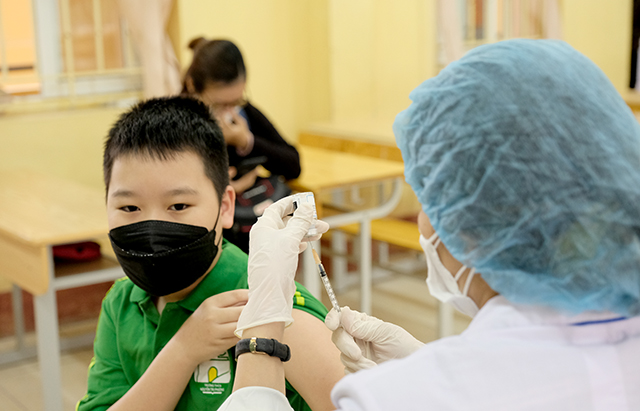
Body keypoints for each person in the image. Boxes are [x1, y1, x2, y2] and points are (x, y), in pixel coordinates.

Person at [217, 39, 640, 410]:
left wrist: (261, 329)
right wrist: (421, 359)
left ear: (467, 225)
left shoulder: (393, 398)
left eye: (427, 195)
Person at [76, 97, 342, 411]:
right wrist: (182, 351)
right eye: (129, 207)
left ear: (225, 206)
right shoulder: (121, 303)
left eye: (178, 205)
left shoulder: (272, 307)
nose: (152, 227)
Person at [182, 37, 300, 253]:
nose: (230, 111)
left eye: (236, 101)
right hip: (202, 243)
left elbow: (293, 165)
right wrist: (220, 189)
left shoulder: (244, 112)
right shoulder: (177, 121)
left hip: (248, 234)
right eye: (220, 104)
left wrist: (246, 141)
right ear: (192, 87)